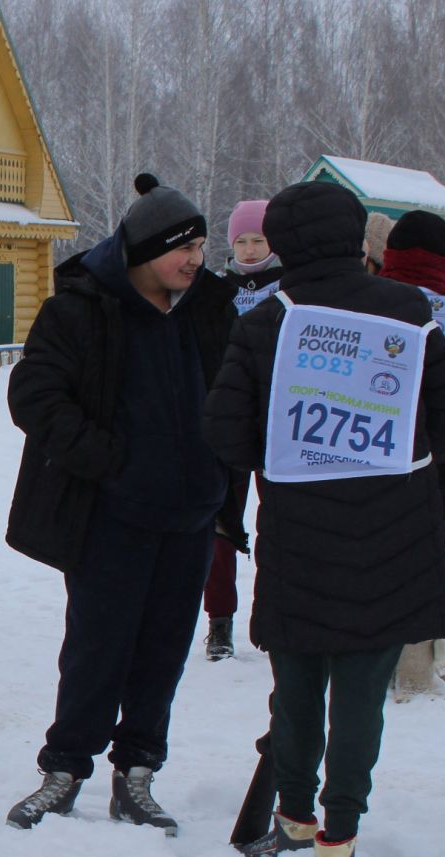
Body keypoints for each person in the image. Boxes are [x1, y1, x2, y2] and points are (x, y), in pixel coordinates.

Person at [202, 180, 445, 857]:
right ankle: (337, 845)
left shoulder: (265, 324)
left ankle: (289, 822)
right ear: (356, 238)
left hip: (298, 535)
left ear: (282, 241)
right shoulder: (411, 312)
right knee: (359, 698)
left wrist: (292, 456)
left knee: (295, 691)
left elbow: (223, 431)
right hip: (393, 538)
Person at [3, 173, 236, 834]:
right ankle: (65, 767)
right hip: (112, 516)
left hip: (192, 515)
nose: (195, 257)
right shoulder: (82, 308)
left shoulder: (209, 307)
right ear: (141, 251)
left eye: (200, 243)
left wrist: (223, 468)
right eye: (180, 247)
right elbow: (35, 397)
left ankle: (137, 773)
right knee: (97, 647)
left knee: (164, 648)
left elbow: (238, 390)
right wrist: (109, 462)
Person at [377, 210, 445, 693]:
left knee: (374, 556)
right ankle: (415, 662)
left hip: (372, 452)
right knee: (426, 557)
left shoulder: (368, 303)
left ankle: (371, 657)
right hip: (435, 462)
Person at [204, 199, 288, 661]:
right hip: (228, 420)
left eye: (259, 239)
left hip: (277, 422)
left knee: (278, 522)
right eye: (242, 240)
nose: (251, 249)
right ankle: (219, 622)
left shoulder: (291, 287)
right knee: (218, 524)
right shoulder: (215, 289)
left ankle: (274, 617)